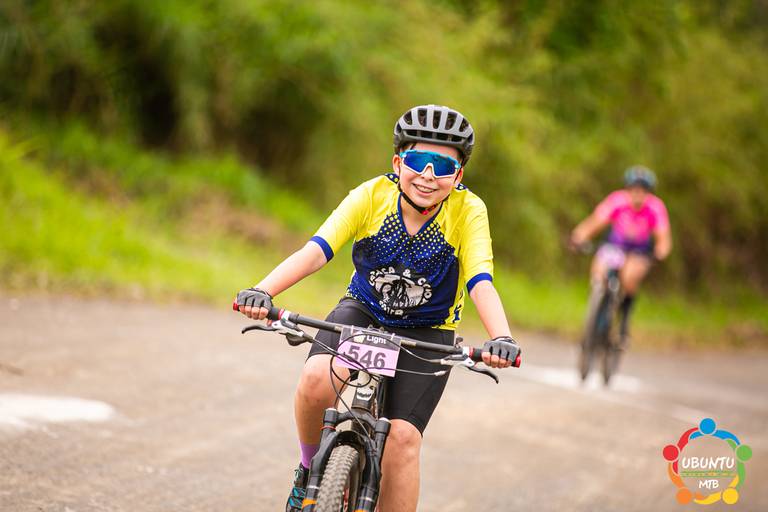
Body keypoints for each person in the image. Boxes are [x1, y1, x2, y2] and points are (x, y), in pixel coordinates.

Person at [235, 104, 521, 512]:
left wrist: (501, 336)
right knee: (316, 378)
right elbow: (316, 251)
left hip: (428, 331)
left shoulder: (468, 211)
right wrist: (262, 291)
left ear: (458, 176)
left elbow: (480, 280)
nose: (428, 176)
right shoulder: (371, 196)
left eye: (443, 166)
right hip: (364, 311)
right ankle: (307, 472)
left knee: (402, 440)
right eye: (418, 162)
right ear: (398, 163)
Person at [570, 165, 672, 347]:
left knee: (629, 277)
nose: (637, 194)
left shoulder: (655, 208)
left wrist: (660, 252)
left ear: (648, 192)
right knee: (599, 271)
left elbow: (663, 237)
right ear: (628, 189)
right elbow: (595, 222)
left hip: (639, 252)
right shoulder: (617, 201)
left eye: (643, 190)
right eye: (634, 189)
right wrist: (579, 236)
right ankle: (595, 310)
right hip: (614, 247)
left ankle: (623, 323)